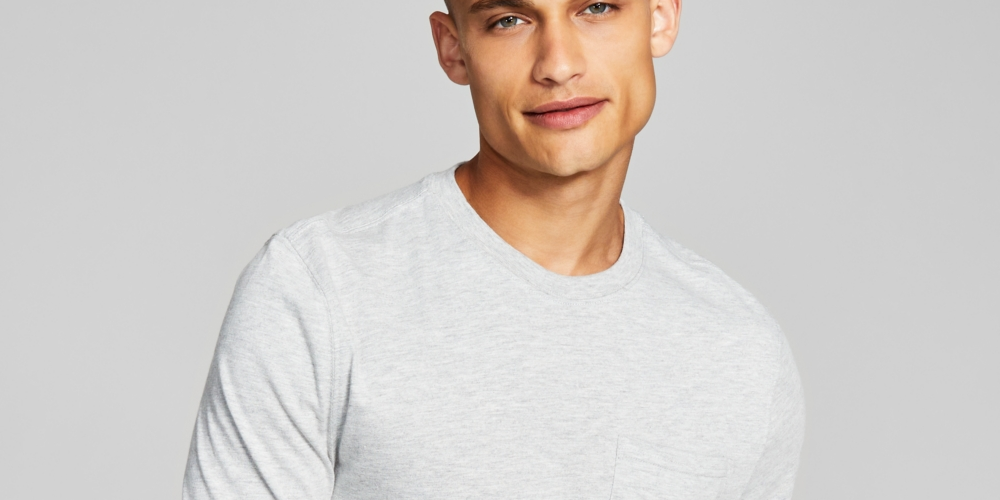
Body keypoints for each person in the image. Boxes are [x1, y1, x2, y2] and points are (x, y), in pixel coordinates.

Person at [182, 0, 805, 498]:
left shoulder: (740, 350)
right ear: (453, 47)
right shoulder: (317, 290)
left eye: (597, 7)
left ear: (661, 16)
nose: (558, 64)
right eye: (509, 19)